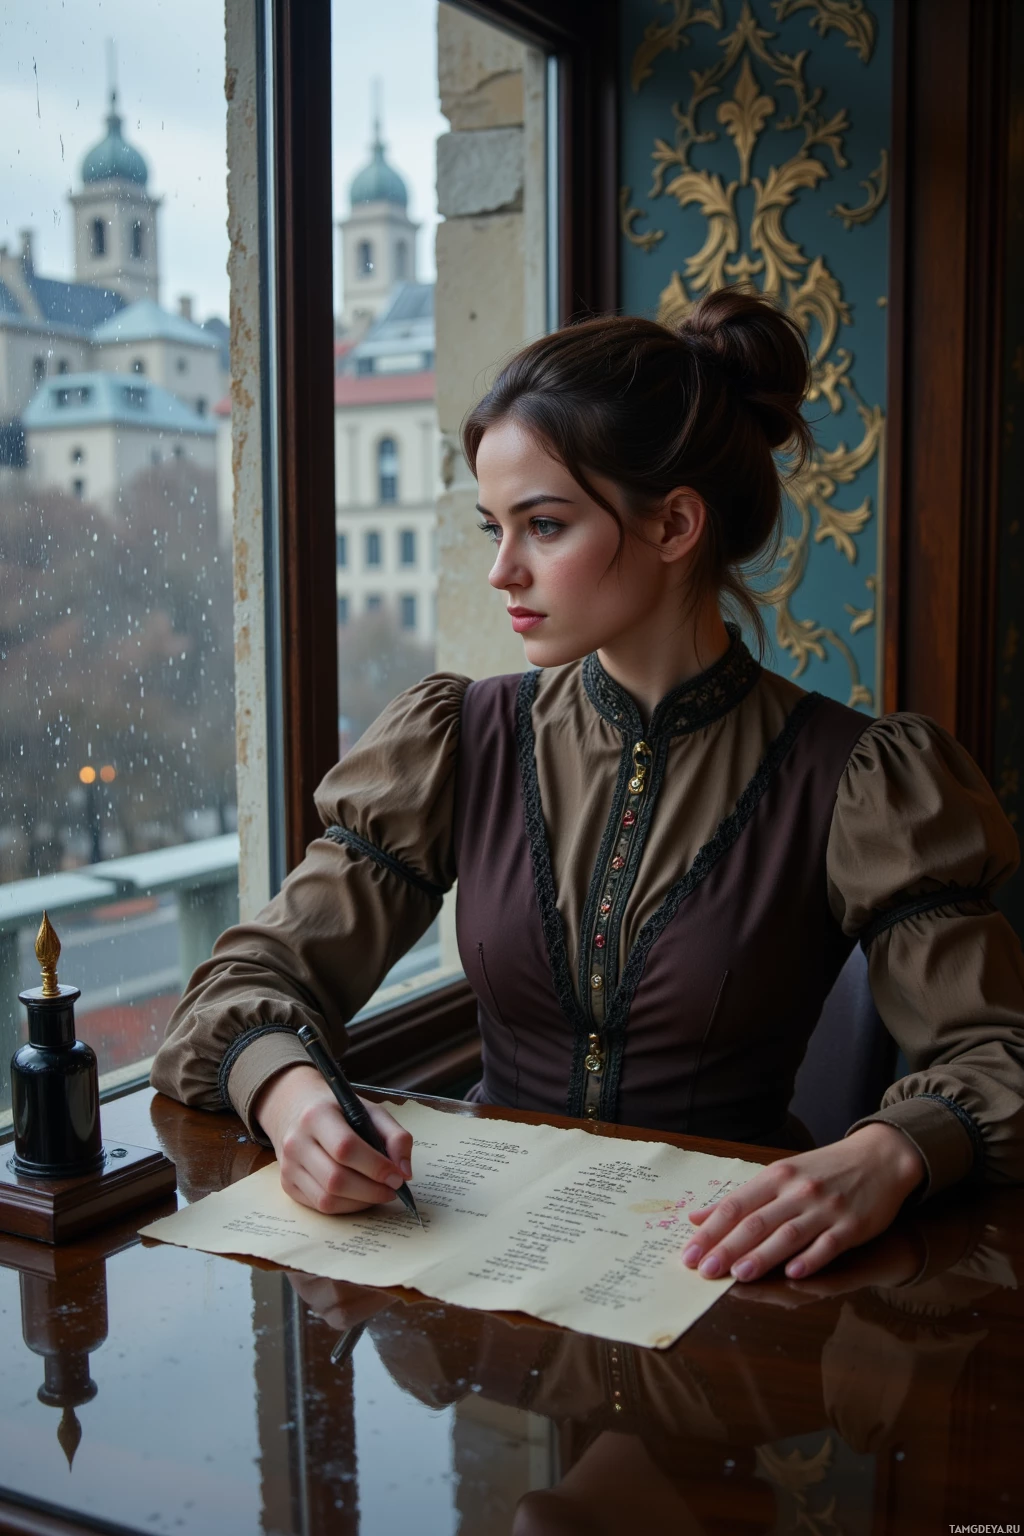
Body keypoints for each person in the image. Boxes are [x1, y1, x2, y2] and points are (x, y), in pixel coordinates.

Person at [151, 287, 1024, 1287]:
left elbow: (998, 1054)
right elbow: (238, 988)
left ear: (674, 524)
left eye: (545, 526)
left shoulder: (860, 777)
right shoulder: (460, 740)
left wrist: (890, 1153)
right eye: (493, 528)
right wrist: (292, 1096)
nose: (503, 572)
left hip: (728, 1295)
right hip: (470, 1280)